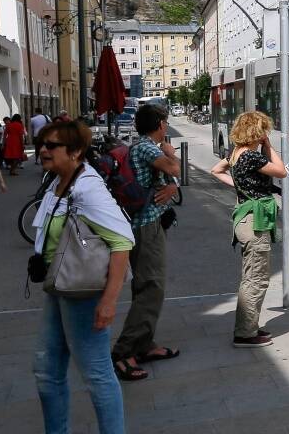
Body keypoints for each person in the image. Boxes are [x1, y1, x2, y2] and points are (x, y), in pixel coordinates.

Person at [31, 120, 133, 434]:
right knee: (47, 371)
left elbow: (122, 241)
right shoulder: (58, 180)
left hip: (83, 293)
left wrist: (109, 301)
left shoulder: (87, 187)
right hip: (59, 286)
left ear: (75, 152)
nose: (43, 150)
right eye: (42, 144)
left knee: (97, 374)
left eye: (52, 145)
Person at [111, 104, 182, 381]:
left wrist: (173, 185)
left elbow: (169, 180)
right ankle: (123, 352)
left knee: (148, 286)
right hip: (145, 227)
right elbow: (173, 167)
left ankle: (144, 343)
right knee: (152, 286)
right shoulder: (149, 147)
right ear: (161, 124)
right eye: (165, 121)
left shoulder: (141, 145)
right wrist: (171, 154)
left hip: (148, 225)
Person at [210, 111, 286, 348]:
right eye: (264, 130)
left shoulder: (235, 154)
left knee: (250, 276)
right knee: (256, 279)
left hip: (245, 217)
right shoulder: (251, 157)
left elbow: (215, 170)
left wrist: (241, 188)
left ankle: (249, 325)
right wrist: (269, 146)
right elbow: (282, 171)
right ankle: (245, 333)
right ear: (258, 132)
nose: (266, 134)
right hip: (254, 223)